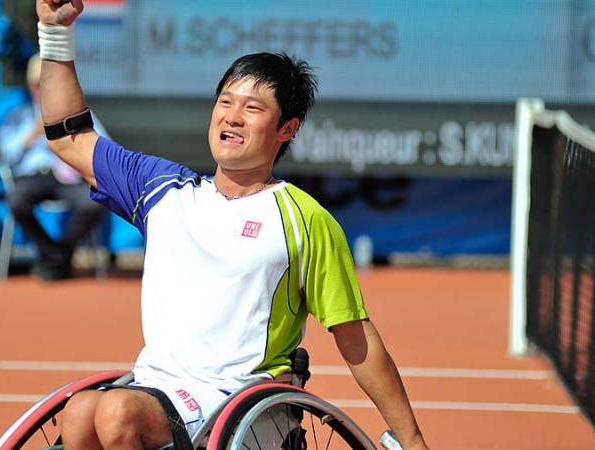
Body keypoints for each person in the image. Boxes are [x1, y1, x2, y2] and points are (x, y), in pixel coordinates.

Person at [35, 1, 429, 449]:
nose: (232, 116)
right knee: (80, 411)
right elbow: (69, 137)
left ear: (287, 129)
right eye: (225, 101)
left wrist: (411, 438)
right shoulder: (164, 191)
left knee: (115, 412)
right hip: (154, 387)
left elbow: (355, 338)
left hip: (239, 401)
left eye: (253, 108)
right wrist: (55, 31)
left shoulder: (304, 220)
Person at [0, 53, 107, 281]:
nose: (44, 89)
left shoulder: (77, 112)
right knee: (16, 200)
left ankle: (54, 257)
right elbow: (5, 156)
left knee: (94, 202)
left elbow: (105, 148)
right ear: (30, 87)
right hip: (33, 176)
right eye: (39, 85)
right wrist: (31, 135)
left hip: (68, 177)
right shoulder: (18, 117)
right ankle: (58, 257)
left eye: (48, 83)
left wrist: (80, 142)